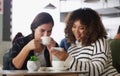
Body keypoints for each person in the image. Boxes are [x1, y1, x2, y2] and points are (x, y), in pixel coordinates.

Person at [51, 8, 120, 76]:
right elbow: (71, 71)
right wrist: (53, 53)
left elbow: (96, 71)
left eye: (81, 28)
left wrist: (67, 59)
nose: (76, 31)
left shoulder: (99, 42)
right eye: (74, 27)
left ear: (91, 29)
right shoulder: (72, 48)